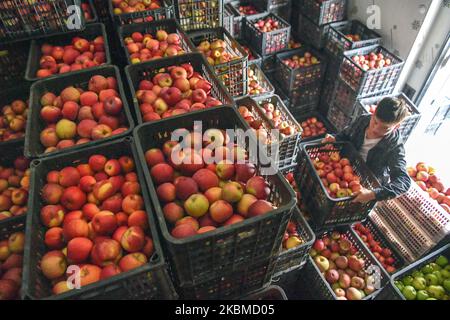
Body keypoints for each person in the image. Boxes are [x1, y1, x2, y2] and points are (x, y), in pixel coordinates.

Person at [323, 97, 412, 204]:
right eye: (375, 121)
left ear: (396, 126)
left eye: (385, 128)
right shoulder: (363, 120)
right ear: (373, 112)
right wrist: (334, 139)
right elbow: (344, 136)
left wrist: (373, 194)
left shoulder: (394, 146)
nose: (375, 129)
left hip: (366, 186)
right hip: (344, 169)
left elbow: (404, 181)